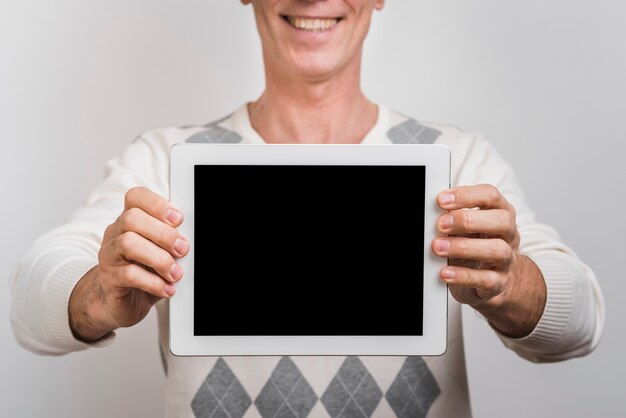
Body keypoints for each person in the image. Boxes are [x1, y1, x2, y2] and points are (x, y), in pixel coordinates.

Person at [10, 1, 604, 417]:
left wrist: (512, 283)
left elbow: (581, 325)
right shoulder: (168, 161)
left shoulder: (455, 161)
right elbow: (28, 311)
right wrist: (98, 294)